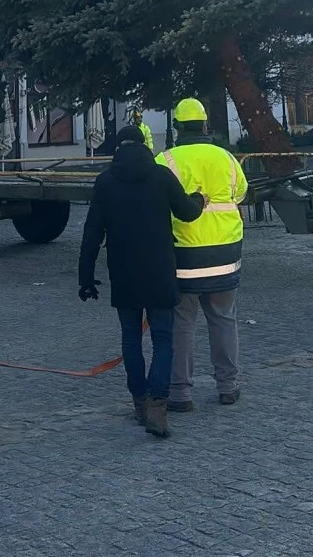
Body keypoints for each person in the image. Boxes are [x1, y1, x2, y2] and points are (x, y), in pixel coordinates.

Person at [78, 125, 205, 439]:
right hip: (159, 270)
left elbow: (91, 234)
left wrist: (85, 278)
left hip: (124, 273)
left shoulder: (105, 182)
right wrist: (199, 198)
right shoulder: (161, 175)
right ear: (145, 145)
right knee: (163, 339)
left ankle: (139, 401)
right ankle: (157, 405)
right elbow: (187, 213)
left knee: (131, 339)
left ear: (118, 148)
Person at [156, 98, 248, 410]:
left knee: (181, 323)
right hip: (225, 252)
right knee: (223, 319)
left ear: (177, 127)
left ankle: (180, 393)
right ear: (205, 125)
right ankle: (228, 386)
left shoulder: (166, 160)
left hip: (184, 255)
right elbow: (242, 192)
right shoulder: (225, 157)